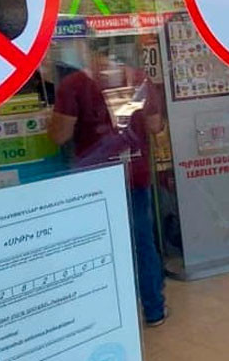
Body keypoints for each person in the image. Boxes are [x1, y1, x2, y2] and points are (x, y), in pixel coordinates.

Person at [49, 49, 168, 327]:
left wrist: (49, 123)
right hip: (134, 174)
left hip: (94, 180)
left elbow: (60, 135)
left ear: (87, 52)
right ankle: (154, 310)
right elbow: (155, 126)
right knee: (142, 241)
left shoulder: (73, 85)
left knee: (98, 245)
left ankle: (106, 316)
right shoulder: (139, 79)